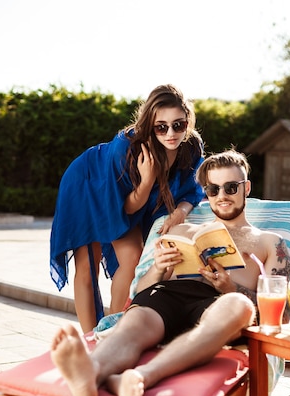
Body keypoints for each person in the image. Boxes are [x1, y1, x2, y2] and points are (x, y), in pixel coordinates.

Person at [50, 150, 290, 396]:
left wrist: (231, 287)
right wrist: (157, 268)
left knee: (238, 305)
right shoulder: (182, 230)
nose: (222, 196)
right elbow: (139, 291)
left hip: (219, 303)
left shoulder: (269, 242)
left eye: (231, 188)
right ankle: (92, 372)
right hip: (168, 295)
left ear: (247, 188)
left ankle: (141, 377)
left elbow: (283, 314)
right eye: (213, 189)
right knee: (136, 319)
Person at [50, 84, 205, 333]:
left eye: (179, 124)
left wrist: (181, 211)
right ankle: (92, 338)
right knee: (88, 265)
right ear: (150, 124)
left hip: (121, 198)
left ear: (188, 121)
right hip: (88, 184)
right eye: (161, 127)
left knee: (133, 258)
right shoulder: (128, 147)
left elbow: (194, 190)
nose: (171, 133)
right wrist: (147, 181)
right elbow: (126, 209)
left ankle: (115, 329)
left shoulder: (191, 147)